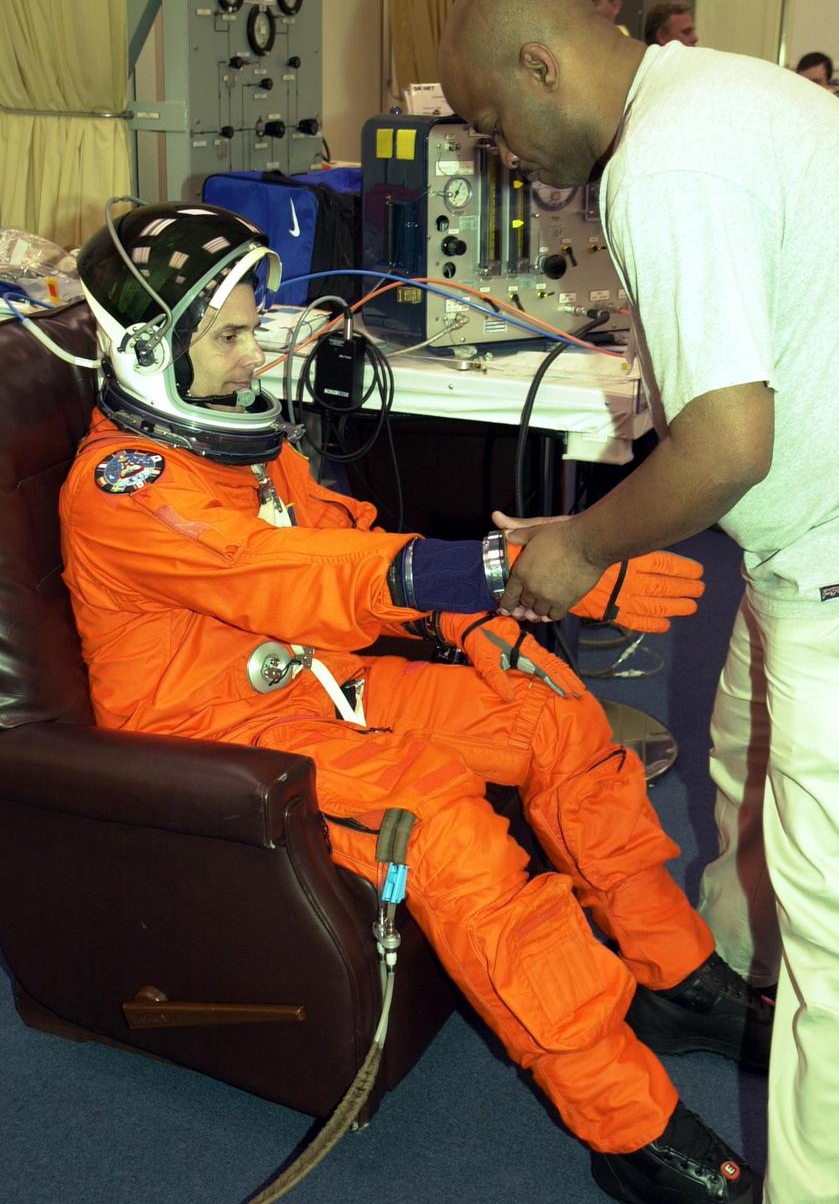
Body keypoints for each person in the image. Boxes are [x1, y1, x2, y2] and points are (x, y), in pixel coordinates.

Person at [60, 201, 772, 1204]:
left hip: (317, 684)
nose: (253, 357)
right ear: (146, 349)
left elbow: (339, 536)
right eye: (225, 337)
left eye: (253, 326)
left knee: (545, 703)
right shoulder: (125, 490)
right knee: (439, 821)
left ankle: (671, 969)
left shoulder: (243, 447)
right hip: (216, 743)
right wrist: (502, 567)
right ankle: (627, 1123)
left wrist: (476, 624)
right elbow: (290, 572)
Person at [438, 0, 839, 1204]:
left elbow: (727, 441)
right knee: (733, 761)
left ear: (541, 65)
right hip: (796, 551)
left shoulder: (662, 165)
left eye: (496, 125)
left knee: (831, 941)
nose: (499, 157)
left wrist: (581, 545)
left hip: (827, 563)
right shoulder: (723, 93)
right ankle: (712, 991)